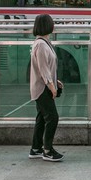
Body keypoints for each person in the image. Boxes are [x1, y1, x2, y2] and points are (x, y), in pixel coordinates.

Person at [29, 14, 64, 162]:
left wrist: (55, 81)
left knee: (42, 119)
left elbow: (47, 66)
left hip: (43, 85)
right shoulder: (41, 44)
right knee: (52, 118)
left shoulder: (43, 42)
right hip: (42, 87)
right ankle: (48, 150)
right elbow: (43, 68)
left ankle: (36, 148)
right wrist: (51, 85)